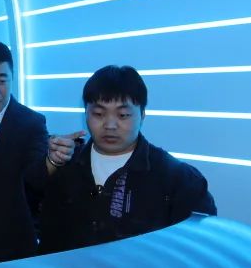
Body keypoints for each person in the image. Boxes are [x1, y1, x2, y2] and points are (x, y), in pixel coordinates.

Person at [38, 65, 217, 253]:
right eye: (98, 114)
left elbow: (198, 251)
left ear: (142, 115)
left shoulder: (178, 179)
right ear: (86, 113)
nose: (110, 125)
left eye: (123, 115)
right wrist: (49, 165)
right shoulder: (63, 166)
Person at [0, 40, 82, 265]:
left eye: (2, 80)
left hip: (9, 243)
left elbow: (35, 177)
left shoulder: (30, 123)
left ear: (13, 77)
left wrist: (53, 160)